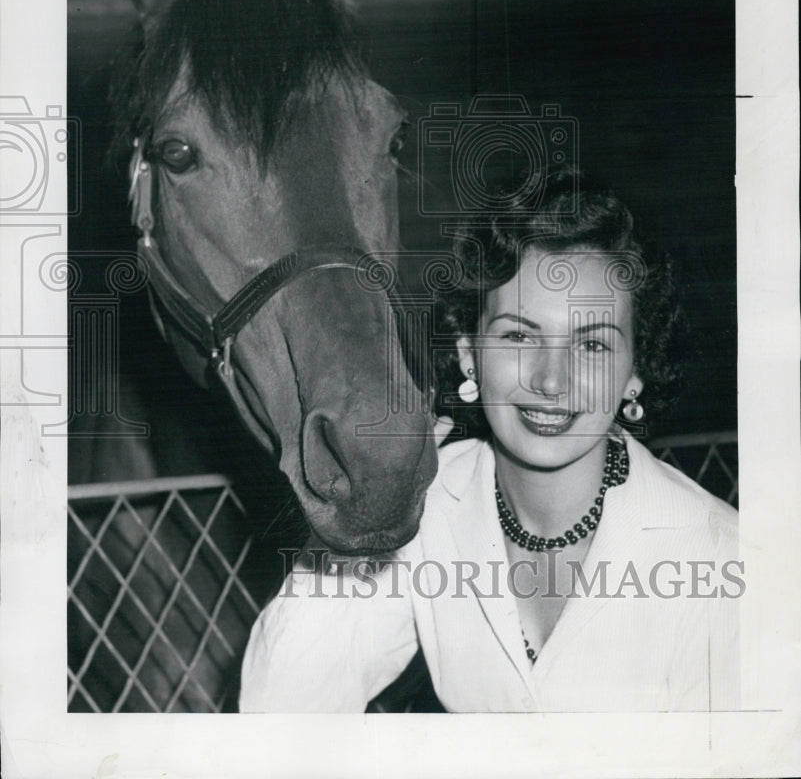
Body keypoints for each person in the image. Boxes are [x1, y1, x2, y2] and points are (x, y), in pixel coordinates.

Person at [240, 171, 740, 713]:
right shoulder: (431, 504)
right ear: (469, 354)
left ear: (635, 373)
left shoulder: (717, 554)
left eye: (592, 345)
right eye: (519, 335)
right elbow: (283, 704)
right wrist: (373, 500)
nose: (551, 381)